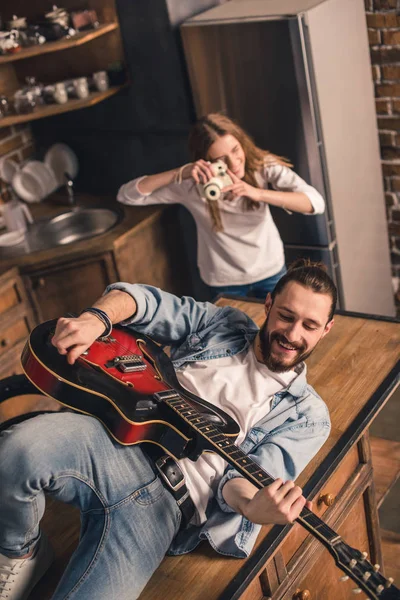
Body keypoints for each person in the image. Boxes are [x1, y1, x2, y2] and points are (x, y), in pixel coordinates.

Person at [0, 260, 336, 600]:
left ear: (326, 330)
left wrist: (252, 507)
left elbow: (239, 481)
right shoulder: (224, 323)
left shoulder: (308, 417)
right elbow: (143, 301)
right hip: (112, 442)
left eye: (310, 326)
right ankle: (23, 553)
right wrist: (95, 320)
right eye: (286, 316)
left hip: (164, 506)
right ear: (268, 304)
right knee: (16, 452)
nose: (293, 335)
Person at [117, 113, 326, 299]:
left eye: (236, 150)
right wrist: (180, 173)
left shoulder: (262, 167)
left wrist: (257, 193)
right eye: (221, 160)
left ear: (242, 143)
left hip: (270, 271)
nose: (235, 163)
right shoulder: (191, 186)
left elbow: (315, 203)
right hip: (224, 281)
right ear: (206, 162)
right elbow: (127, 196)